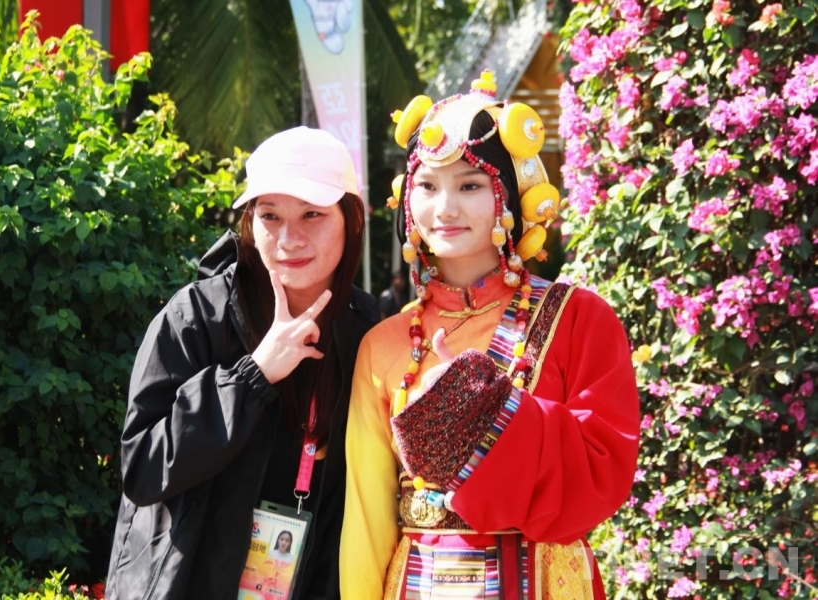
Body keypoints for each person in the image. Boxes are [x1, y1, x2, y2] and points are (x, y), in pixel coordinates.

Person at [340, 71, 640, 599]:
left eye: (470, 185)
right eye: (427, 186)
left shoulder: (578, 319)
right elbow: (366, 520)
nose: (445, 208)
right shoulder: (384, 343)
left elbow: (604, 470)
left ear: (511, 195)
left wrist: (483, 408)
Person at [105, 126, 379, 600]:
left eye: (312, 214)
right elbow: (143, 469)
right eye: (270, 215)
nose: (289, 239)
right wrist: (253, 376)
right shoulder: (196, 316)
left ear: (351, 219)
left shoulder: (367, 327)